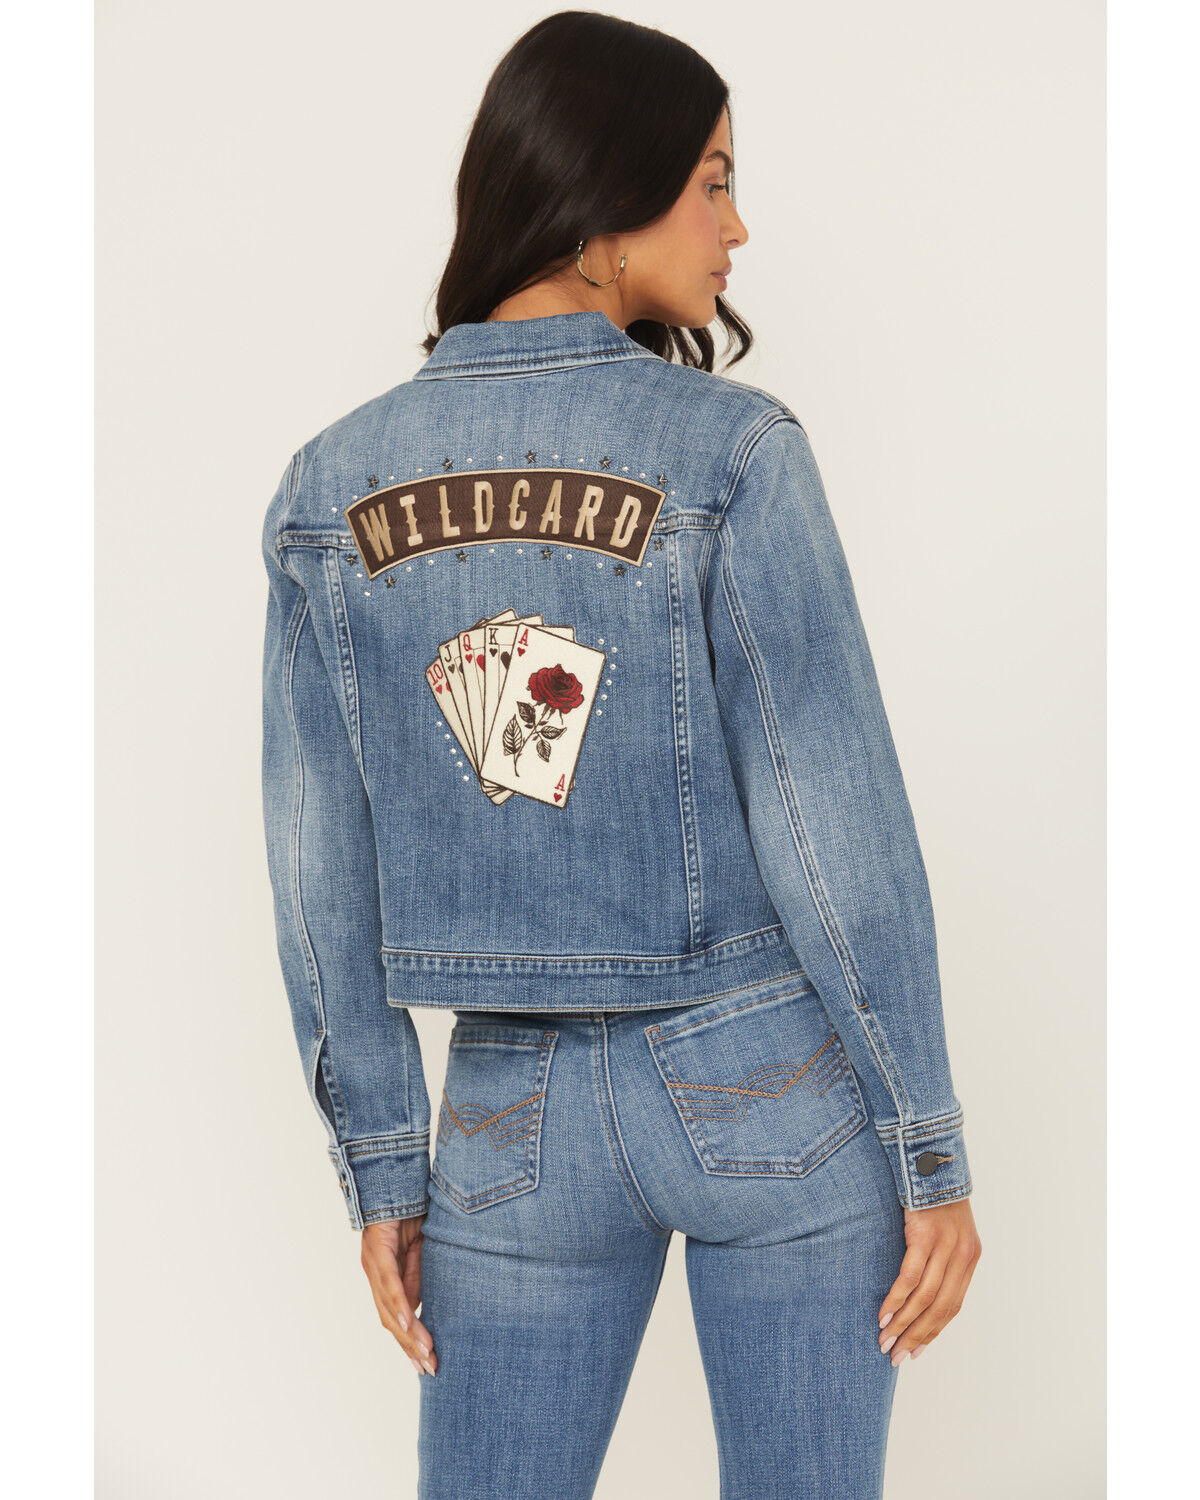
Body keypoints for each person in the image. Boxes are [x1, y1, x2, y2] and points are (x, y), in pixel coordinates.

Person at [260, 11, 981, 1498]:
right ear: (606, 195)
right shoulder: (732, 451)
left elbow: (318, 867)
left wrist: (384, 1164)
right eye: (713, 183)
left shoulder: (330, 489)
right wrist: (929, 1142)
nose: (738, 228)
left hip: (508, 1115)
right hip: (769, 1086)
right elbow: (832, 825)